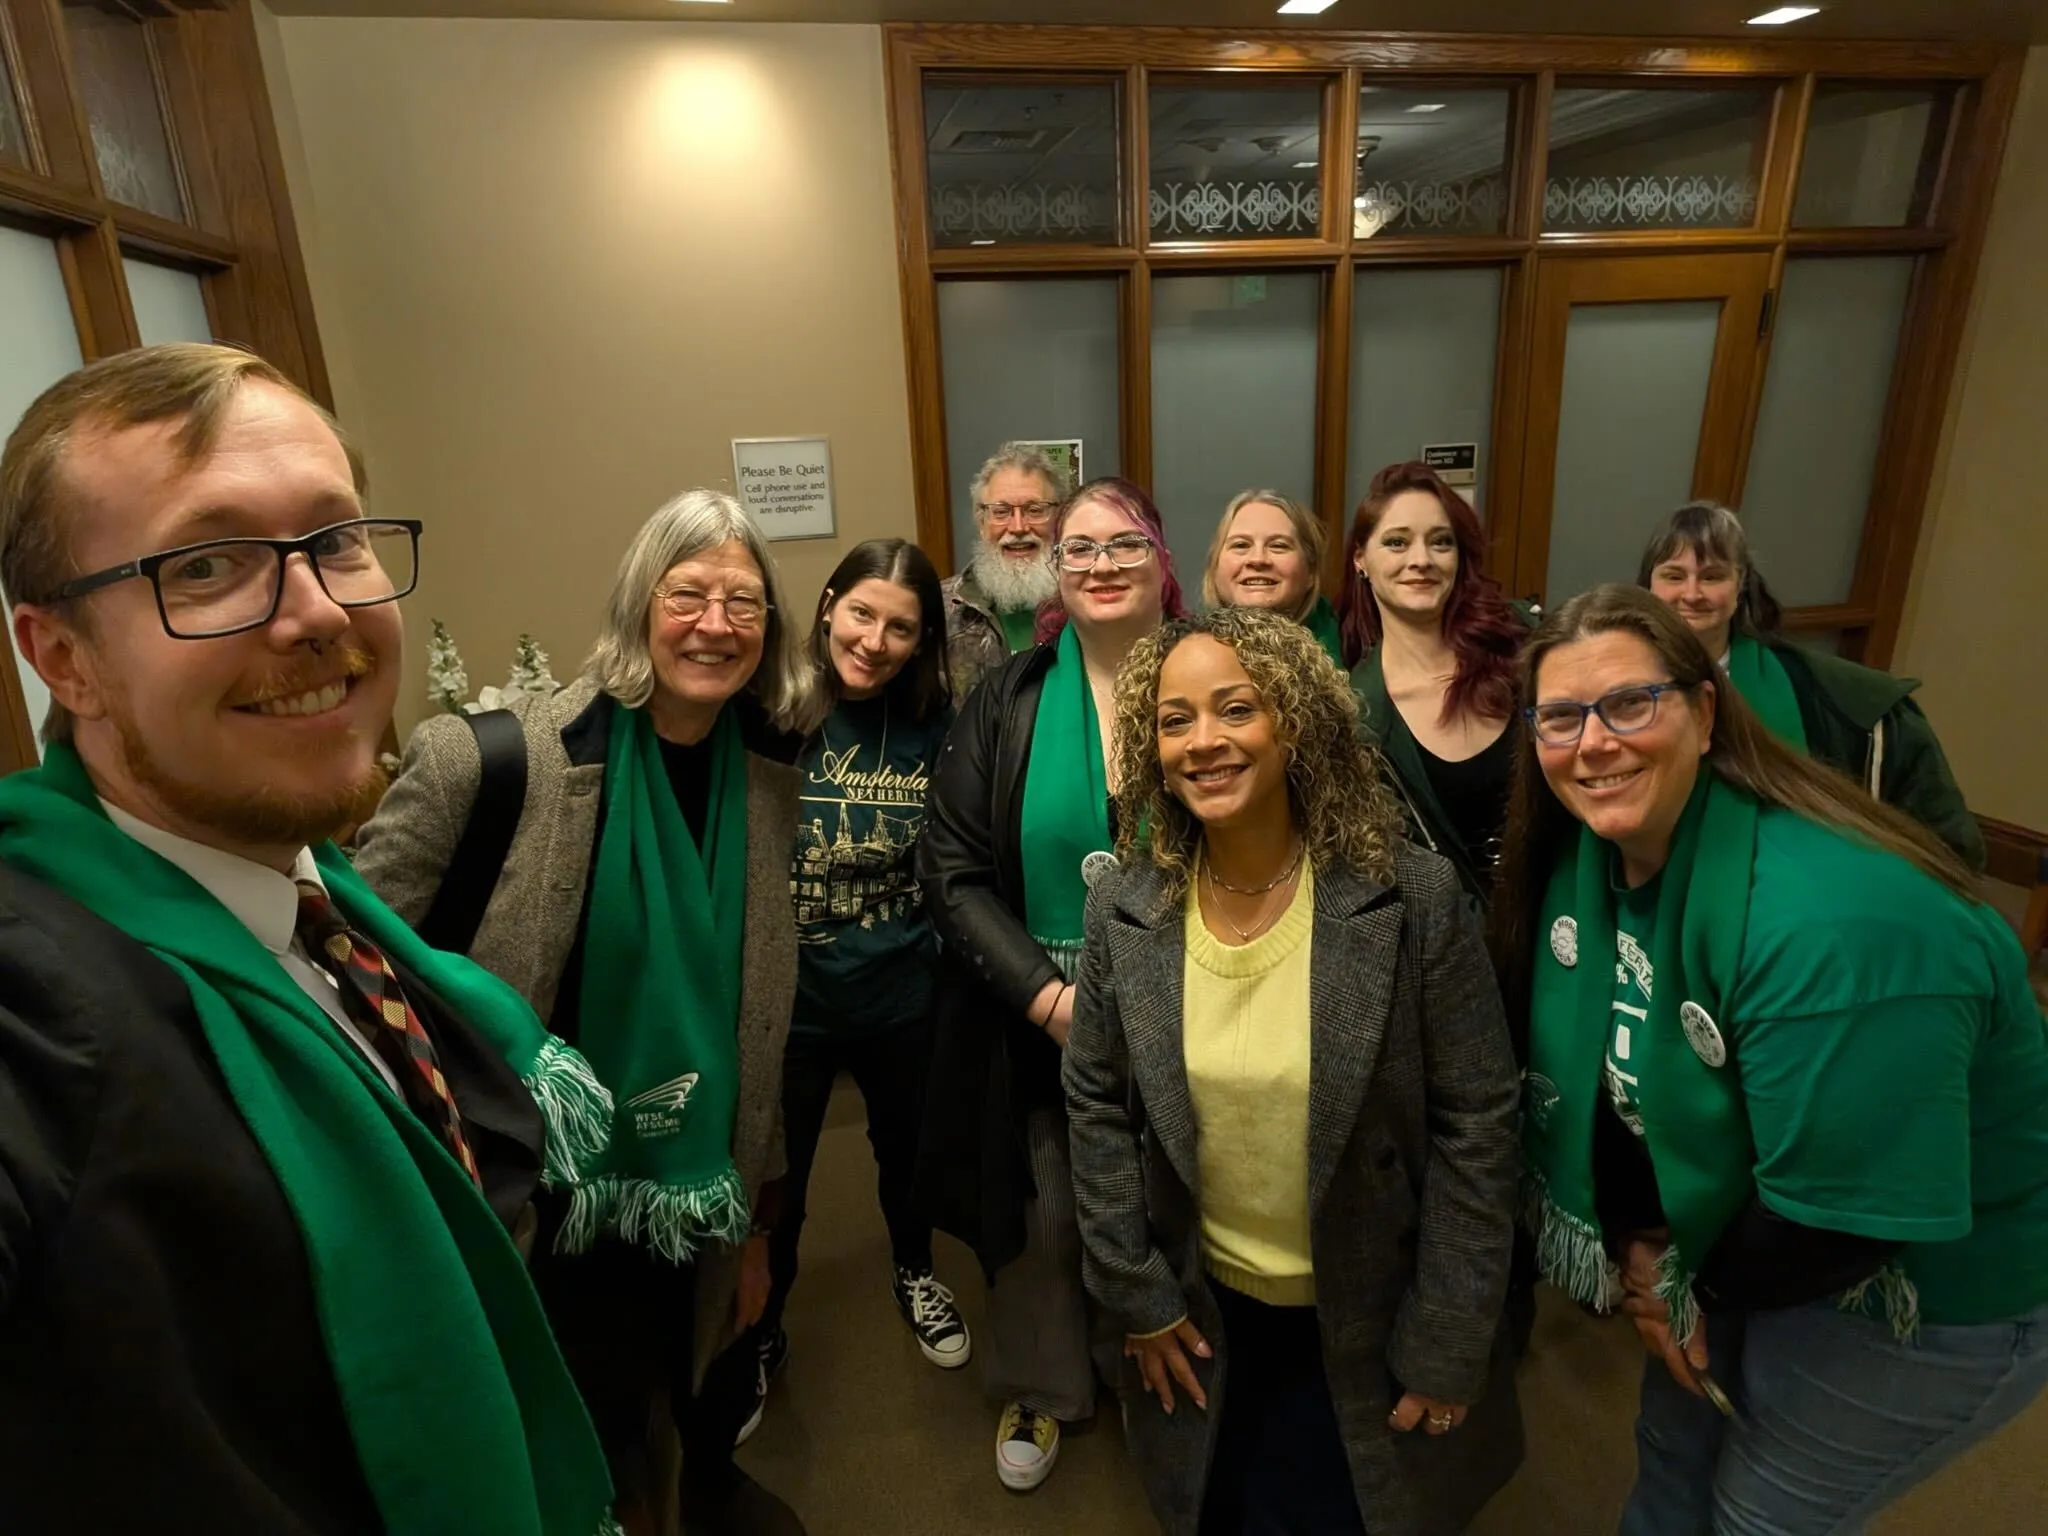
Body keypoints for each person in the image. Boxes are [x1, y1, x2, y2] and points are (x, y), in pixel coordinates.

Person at [0, 343, 618, 1533]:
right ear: (63, 658)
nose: (320, 611)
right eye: (210, 563)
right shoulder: (38, 990)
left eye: (337, 541)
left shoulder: (319, 904)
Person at [1495, 583, 2048, 1535]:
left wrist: (1679, 1285)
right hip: (1737, 1227)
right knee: (1674, 1453)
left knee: (1761, 1514)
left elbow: (1842, 1225)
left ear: (1706, 713)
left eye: (1631, 703)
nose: (1593, 743)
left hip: (1910, 1286)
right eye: (1559, 718)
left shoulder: (1835, 925)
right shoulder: (1595, 871)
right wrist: (1647, 1251)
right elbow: (1615, 1089)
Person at [355, 489, 809, 1536]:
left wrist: (755, 1212)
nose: (715, 623)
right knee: (559, 1433)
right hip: (534, 1189)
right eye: (686, 593)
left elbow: (758, 1016)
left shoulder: (770, 785)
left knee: (665, 1386)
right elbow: (342, 955)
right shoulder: (491, 762)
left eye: (743, 602)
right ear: (636, 606)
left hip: (690, 1176)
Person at [1066, 607, 1524, 1536]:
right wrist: (1137, 1293)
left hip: (1371, 1308)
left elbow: (1478, 1122)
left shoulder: (1411, 898)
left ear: (1297, 722)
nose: (1204, 742)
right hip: (1202, 1313)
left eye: (1236, 709)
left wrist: (1448, 1334)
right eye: (1174, 719)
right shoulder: (1126, 902)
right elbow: (1096, 1108)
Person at [918, 475, 1187, 1492]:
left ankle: (1156, 1367)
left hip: (1194, 998)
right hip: (1041, 1010)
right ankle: (1041, 1380)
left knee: (1176, 1193)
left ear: (1158, 556)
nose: (1101, 566)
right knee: (1043, 1198)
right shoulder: (1010, 695)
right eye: (1079, 550)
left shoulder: (1215, 676)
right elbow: (947, 867)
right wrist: (1049, 1000)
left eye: (1123, 546)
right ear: (1054, 572)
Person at [757, 538, 969, 1398]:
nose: (876, 640)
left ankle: (915, 1269)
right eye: (862, 614)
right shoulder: (769, 708)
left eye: (901, 628)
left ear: (923, 641)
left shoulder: (935, 725)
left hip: (898, 989)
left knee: (906, 1152)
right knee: (782, 1174)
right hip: (790, 1001)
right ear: (829, 606)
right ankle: (763, 1321)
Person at [1639, 500, 1983, 867]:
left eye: (1712, 577)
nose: (1692, 594)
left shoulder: (1822, 694)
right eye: (1674, 576)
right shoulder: (1612, 677)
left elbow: (1950, 843)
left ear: (1740, 584)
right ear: (1649, 585)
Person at [1337, 460, 1530, 905]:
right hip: (1445, 954)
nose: (1420, 560)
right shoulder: (1356, 713)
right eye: (1397, 542)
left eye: (1440, 542)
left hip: (1557, 930)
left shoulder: (1522, 653)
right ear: (1361, 559)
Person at [941, 441, 1070, 699]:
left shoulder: (1088, 604)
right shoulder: (941, 608)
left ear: (1062, 519)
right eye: (1001, 512)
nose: (1018, 527)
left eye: (1035, 510)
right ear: (981, 522)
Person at [1201, 488, 1343, 666]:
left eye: (1278, 546)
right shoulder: (1181, 653)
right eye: (1241, 545)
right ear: (1214, 568)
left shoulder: (1353, 651)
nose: (1258, 559)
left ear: (1311, 573)